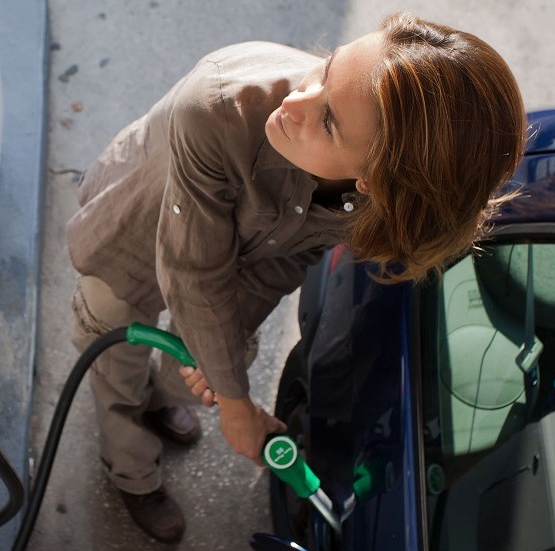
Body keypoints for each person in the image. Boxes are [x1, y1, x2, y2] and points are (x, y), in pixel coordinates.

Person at [66, 12, 526, 543]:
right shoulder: (218, 107)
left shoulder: (382, 203)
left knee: (206, 368)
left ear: (372, 181)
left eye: (328, 119)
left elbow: (289, 256)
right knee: (114, 361)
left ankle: (158, 401)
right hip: (133, 230)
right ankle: (132, 471)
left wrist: (227, 347)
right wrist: (237, 408)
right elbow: (194, 271)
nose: (296, 100)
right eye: (326, 68)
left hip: (224, 259)